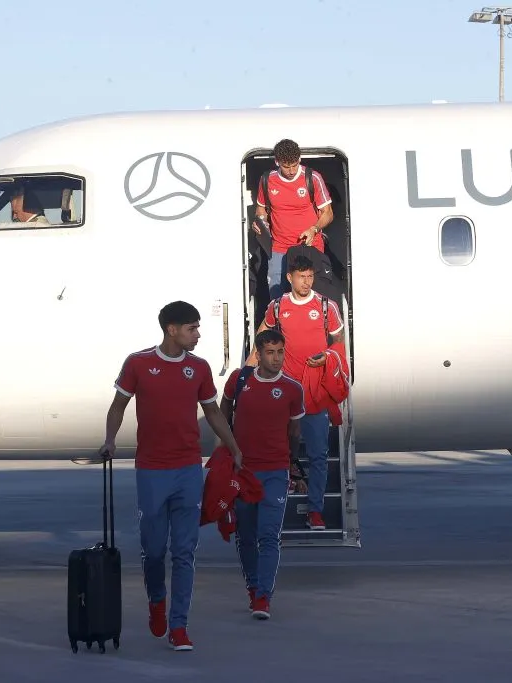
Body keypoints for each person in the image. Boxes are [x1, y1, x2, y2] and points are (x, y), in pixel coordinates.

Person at [101, 301, 244, 652]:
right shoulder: (138, 363)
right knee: (153, 550)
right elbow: (118, 405)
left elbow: (212, 412)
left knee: (184, 551)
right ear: (172, 330)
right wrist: (109, 440)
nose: (197, 334)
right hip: (151, 470)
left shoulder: (199, 368)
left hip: (188, 470)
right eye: (192, 328)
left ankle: (179, 626)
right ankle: (156, 600)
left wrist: (234, 448)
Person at [220, 329, 304, 620]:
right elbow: (224, 406)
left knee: (270, 536)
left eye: (280, 352)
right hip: (244, 472)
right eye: (270, 352)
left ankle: (263, 597)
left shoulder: (293, 389)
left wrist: (292, 463)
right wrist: (226, 443)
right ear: (258, 353)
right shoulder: (240, 380)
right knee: (246, 535)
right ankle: (252, 586)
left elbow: (295, 432)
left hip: (276, 471)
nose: (277, 358)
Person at [256, 256, 343, 530]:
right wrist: (249, 371)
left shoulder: (327, 307)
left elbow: (339, 341)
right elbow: (263, 335)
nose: (307, 282)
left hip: (315, 394)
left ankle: (315, 511)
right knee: (277, 454)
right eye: (301, 276)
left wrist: (329, 357)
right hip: (284, 392)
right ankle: (275, 508)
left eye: (310, 276)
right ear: (290, 278)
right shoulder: (278, 306)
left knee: (318, 456)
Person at [254, 138, 334, 300]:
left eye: (294, 165)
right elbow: (261, 209)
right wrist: (260, 222)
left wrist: (314, 229)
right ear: (277, 162)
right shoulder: (267, 180)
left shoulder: (312, 178)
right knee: (277, 294)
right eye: (286, 166)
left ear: (299, 160)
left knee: (310, 294)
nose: (291, 171)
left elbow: (328, 213)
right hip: (279, 247)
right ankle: (277, 324)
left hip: (309, 246)